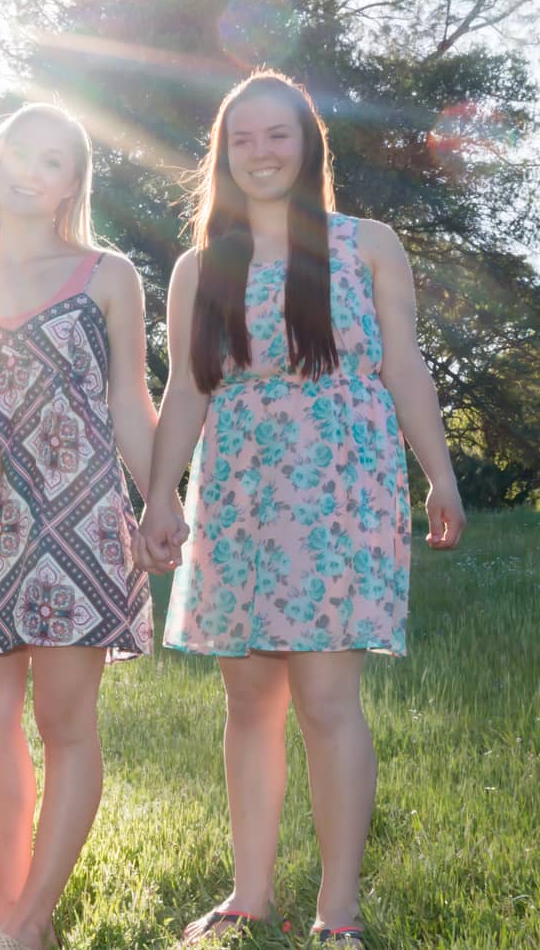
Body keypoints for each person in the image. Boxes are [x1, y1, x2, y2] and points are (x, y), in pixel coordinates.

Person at [139, 70, 466, 948]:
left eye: (277, 134)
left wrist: (439, 473)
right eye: (241, 138)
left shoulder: (367, 244)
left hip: (341, 487)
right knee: (249, 701)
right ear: (223, 154)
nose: (260, 152)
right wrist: (162, 497)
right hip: (240, 490)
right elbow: (186, 392)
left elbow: (405, 368)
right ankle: (249, 895)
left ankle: (338, 908)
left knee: (325, 700)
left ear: (308, 144)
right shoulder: (200, 265)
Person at [0, 104, 159, 950]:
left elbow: (130, 401)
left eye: (54, 161)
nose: (33, 170)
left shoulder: (108, 276)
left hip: (84, 515)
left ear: (74, 182)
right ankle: (9, 898)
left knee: (65, 719)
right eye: (21, 154)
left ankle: (32, 919)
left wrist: (159, 495)